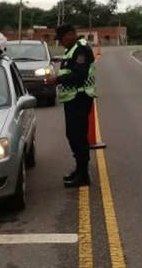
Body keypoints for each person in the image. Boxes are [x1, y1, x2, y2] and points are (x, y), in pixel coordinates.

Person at [46, 24, 97, 187]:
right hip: (72, 98)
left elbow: (80, 75)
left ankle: (83, 176)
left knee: (78, 137)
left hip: (80, 98)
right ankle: (79, 170)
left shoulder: (81, 49)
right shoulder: (72, 50)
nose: (60, 43)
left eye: (61, 39)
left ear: (70, 35)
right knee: (73, 136)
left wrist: (57, 80)